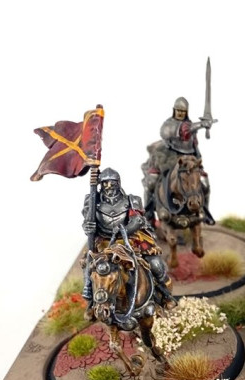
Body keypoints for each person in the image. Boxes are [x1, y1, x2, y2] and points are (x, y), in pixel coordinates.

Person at [80, 167, 173, 306]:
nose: (109, 187)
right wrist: (88, 226)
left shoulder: (132, 200)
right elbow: (87, 220)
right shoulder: (92, 201)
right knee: (89, 263)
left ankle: (166, 294)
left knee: (155, 263)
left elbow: (137, 220)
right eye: (105, 183)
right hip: (104, 241)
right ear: (100, 184)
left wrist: (122, 231)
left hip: (130, 238)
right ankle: (91, 297)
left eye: (112, 183)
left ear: (118, 183)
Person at [142, 97, 215, 224]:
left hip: (189, 157)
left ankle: (204, 211)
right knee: (151, 181)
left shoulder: (190, 125)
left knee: (204, 182)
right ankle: (148, 214)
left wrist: (198, 159)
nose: (180, 113)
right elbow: (182, 131)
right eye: (178, 111)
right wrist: (200, 125)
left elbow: (193, 144)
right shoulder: (168, 125)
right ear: (174, 110)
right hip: (168, 156)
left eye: (183, 111)